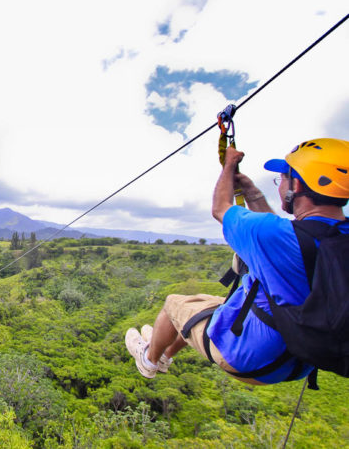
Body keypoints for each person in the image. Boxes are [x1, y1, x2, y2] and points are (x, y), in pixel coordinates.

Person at [125, 137, 349, 384]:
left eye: (283, 177)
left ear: (296, 184)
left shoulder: (272, 233)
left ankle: (149, 359)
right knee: (205, 302)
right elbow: (291, 237)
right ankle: (166, 351)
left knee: (173, 303)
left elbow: (220, 208)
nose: (280, 183)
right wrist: (252, 193)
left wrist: (228, 165)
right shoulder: (336, 237)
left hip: (251, 357)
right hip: (298, 360)